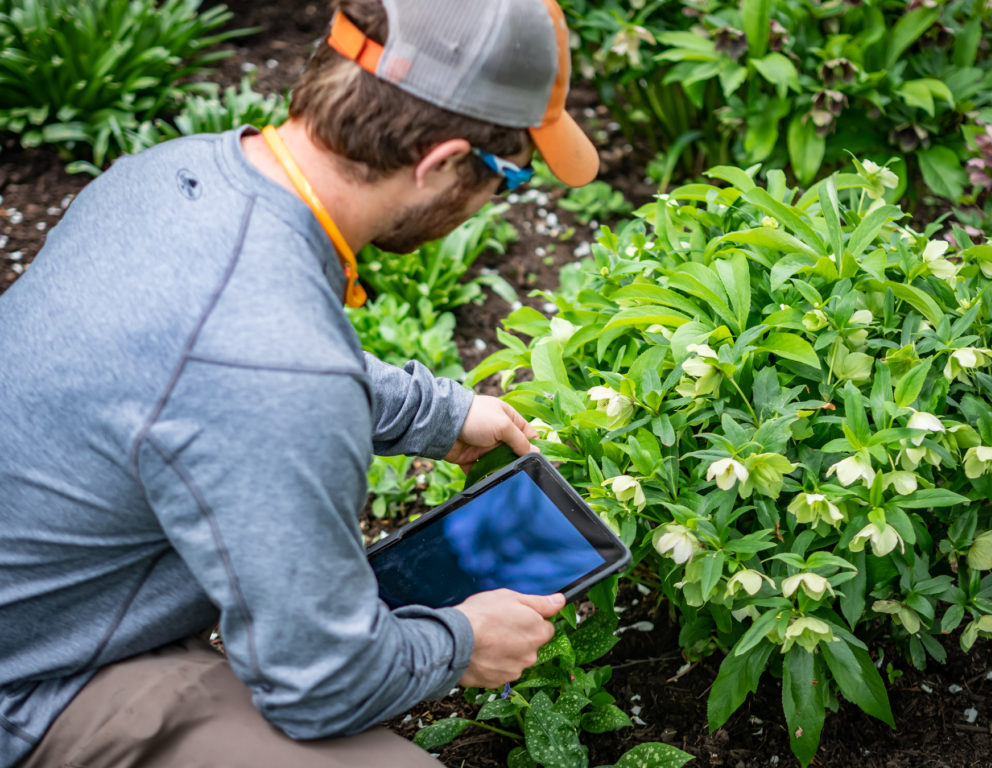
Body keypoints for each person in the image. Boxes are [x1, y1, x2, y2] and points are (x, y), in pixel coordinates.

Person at [0, 0, 599, 765]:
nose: (494, 200)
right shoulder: (278, 367)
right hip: (32, 680)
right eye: (507, 177)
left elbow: (215, 369)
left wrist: (438, 411)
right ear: (441, 163)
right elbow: (321, 687)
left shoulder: (176, 174)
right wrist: (463, 642)